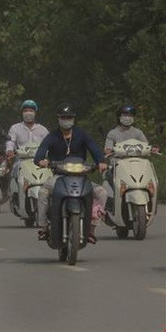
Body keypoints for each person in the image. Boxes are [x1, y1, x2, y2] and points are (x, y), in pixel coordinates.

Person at [33, 104, 108, 243]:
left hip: (81, 177)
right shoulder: (52, 136)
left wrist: (101, 161)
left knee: (102, 192)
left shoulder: (81, 134)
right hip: (59, 177)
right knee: (43, 192)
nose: (66, 120)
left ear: (73, 119)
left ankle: (92, 229)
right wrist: (41, 160)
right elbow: (40, 152)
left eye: (69, 117)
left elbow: (94, 149)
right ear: (58, 119)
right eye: (63, 117)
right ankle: (43, 227)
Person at [6, 100, 50, 189]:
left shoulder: (42, 130)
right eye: (26, 111)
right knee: (19, 179)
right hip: (21, 161)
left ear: (35, 113)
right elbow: (10, 141)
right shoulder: (15, 128)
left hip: (40, 161)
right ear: (22, 113)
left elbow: (49, 144)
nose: (28, 113)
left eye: (31, 111)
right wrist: (9, 150)